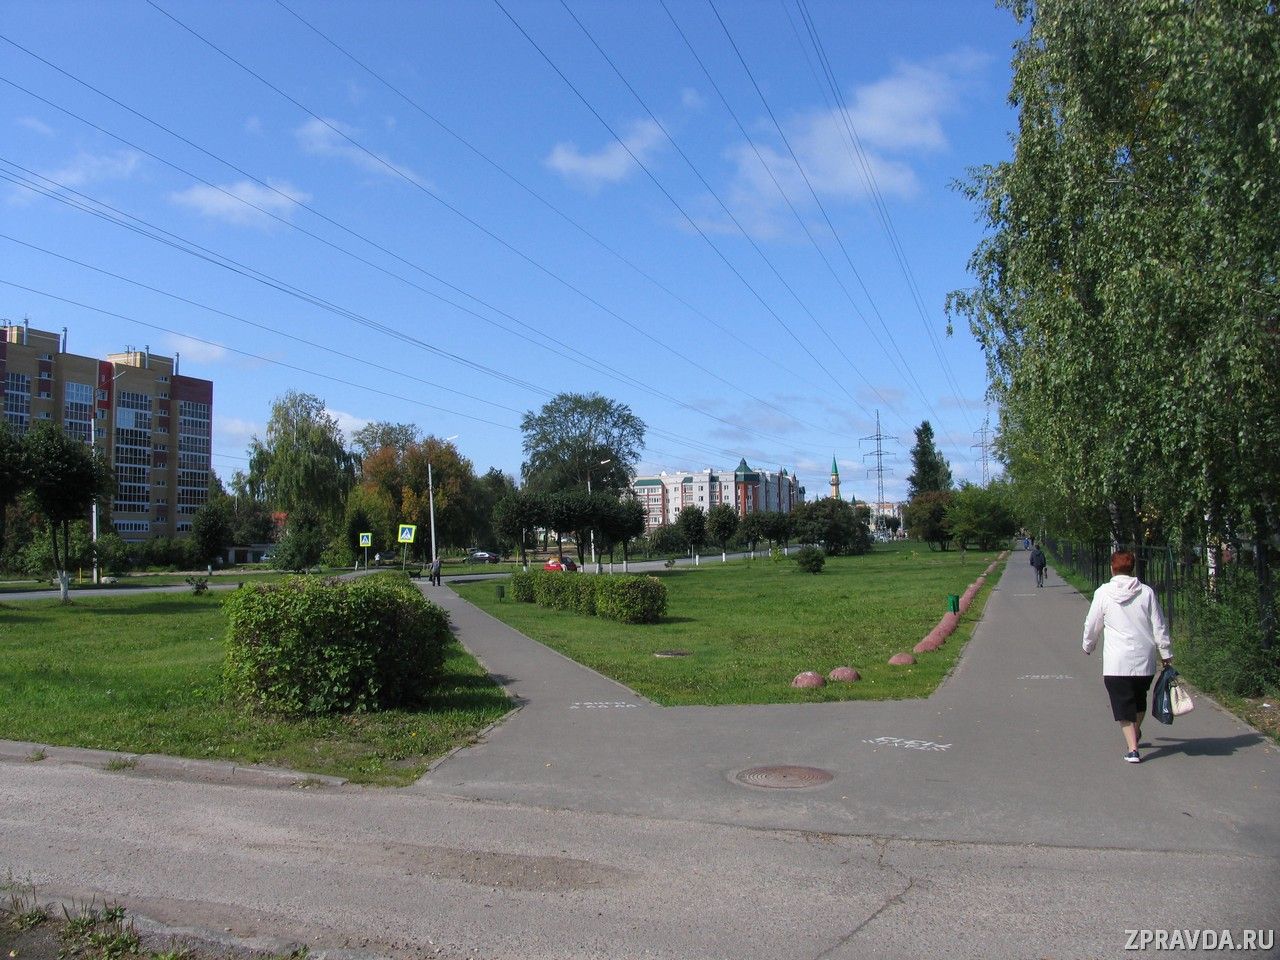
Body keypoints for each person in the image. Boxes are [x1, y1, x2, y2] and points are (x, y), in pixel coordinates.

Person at [1082, 550, 1173, 764]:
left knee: (1123, 704)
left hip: (1117, 661)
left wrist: (1088, 645)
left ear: (1112, 568)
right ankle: (1135, 733)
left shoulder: (1103, 593)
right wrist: (1166, 653)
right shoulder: (1146, 592)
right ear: (1132, 568)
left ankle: (1133, 749)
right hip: (1145, 658)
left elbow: (1093, 622)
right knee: (1139, 701)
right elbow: (1159, 624)